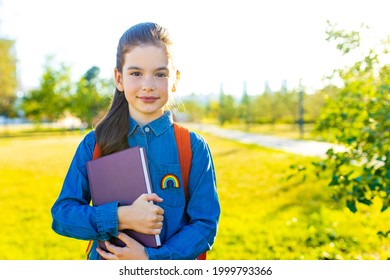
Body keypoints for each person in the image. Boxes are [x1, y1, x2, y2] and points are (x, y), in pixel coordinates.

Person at [51, 22, 220, 260]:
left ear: (175, 79)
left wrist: (149, 259)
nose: (148, 85)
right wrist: (122, 216)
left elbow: (205, 225)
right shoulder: (94, 144)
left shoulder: (192, 148)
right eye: (136, 73)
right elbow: (62, 215)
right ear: (119, 79)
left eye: (160, 74)